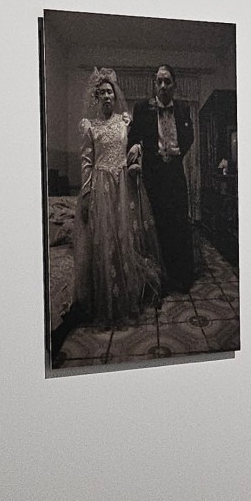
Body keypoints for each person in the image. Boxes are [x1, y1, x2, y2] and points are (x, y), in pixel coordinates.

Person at [75, 68, 161, 323]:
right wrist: (87, 192)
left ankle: (129, 291)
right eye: (101, 93)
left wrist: (137, 152)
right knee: (106, 239)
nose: (106, 97)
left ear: (115, 95)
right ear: (96, 98)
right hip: (101, 186)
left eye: (109, 92)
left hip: (124, 185)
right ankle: (108, 297)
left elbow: (139, 142)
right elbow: (86, 162)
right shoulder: (90, 127)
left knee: (127, 237)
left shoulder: (125, 121)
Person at [127, 64, 195, 292]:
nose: (163, 86)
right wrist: (137, 152)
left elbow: (189, 136)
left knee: (180, 223)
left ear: (174, 85)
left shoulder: (184, 109)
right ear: (155, 84)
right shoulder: (141, 108)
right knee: (158, 226)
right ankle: (161, 279)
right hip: (153, 176)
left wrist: (177, 154)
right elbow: (134, 138)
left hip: (175, 173)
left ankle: (183, 276)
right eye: (159, 81)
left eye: (167, 81)